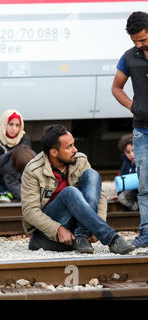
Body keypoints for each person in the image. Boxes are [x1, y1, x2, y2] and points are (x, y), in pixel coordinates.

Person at [21, 124, 135, 255]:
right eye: (69, 147)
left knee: (93, 175)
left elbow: (99, 194)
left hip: (79, 219)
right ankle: (112, 239)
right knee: (70, 192)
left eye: (73, 144)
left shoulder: (80, 159)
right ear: (54, 152)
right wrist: (57, 229)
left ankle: (82, 235)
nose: (75, 150)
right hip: (52, 223)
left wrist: (96, 224)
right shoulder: (33, 170)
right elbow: (30, 211)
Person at [111, 11, 148, 248]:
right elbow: (116, 88)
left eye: (143, 40)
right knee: (144, 185)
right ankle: (146, 233)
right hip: (142, 131)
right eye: (134, 41)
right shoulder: (128, 57)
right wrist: (133, 107)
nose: (139, 45)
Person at [0, 109, 31, 200]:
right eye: (11, 124)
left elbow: (28, 165)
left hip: (19, 179)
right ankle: (11, 192)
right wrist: (6, 178)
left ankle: (0, 194)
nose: (14, 128)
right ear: (4, 124)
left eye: (17, 125)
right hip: (0, 180)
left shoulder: (24, 139)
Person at [116, 133, 138, 211]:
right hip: (131, 192)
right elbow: (122, 179)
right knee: (121, 197)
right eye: (128, 152)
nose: (131, 154)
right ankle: (135, 208)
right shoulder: (126, 163)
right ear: (124, 153)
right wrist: (119, 193)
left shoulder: (142, 161)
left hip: (141, 190)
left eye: (133, 150)